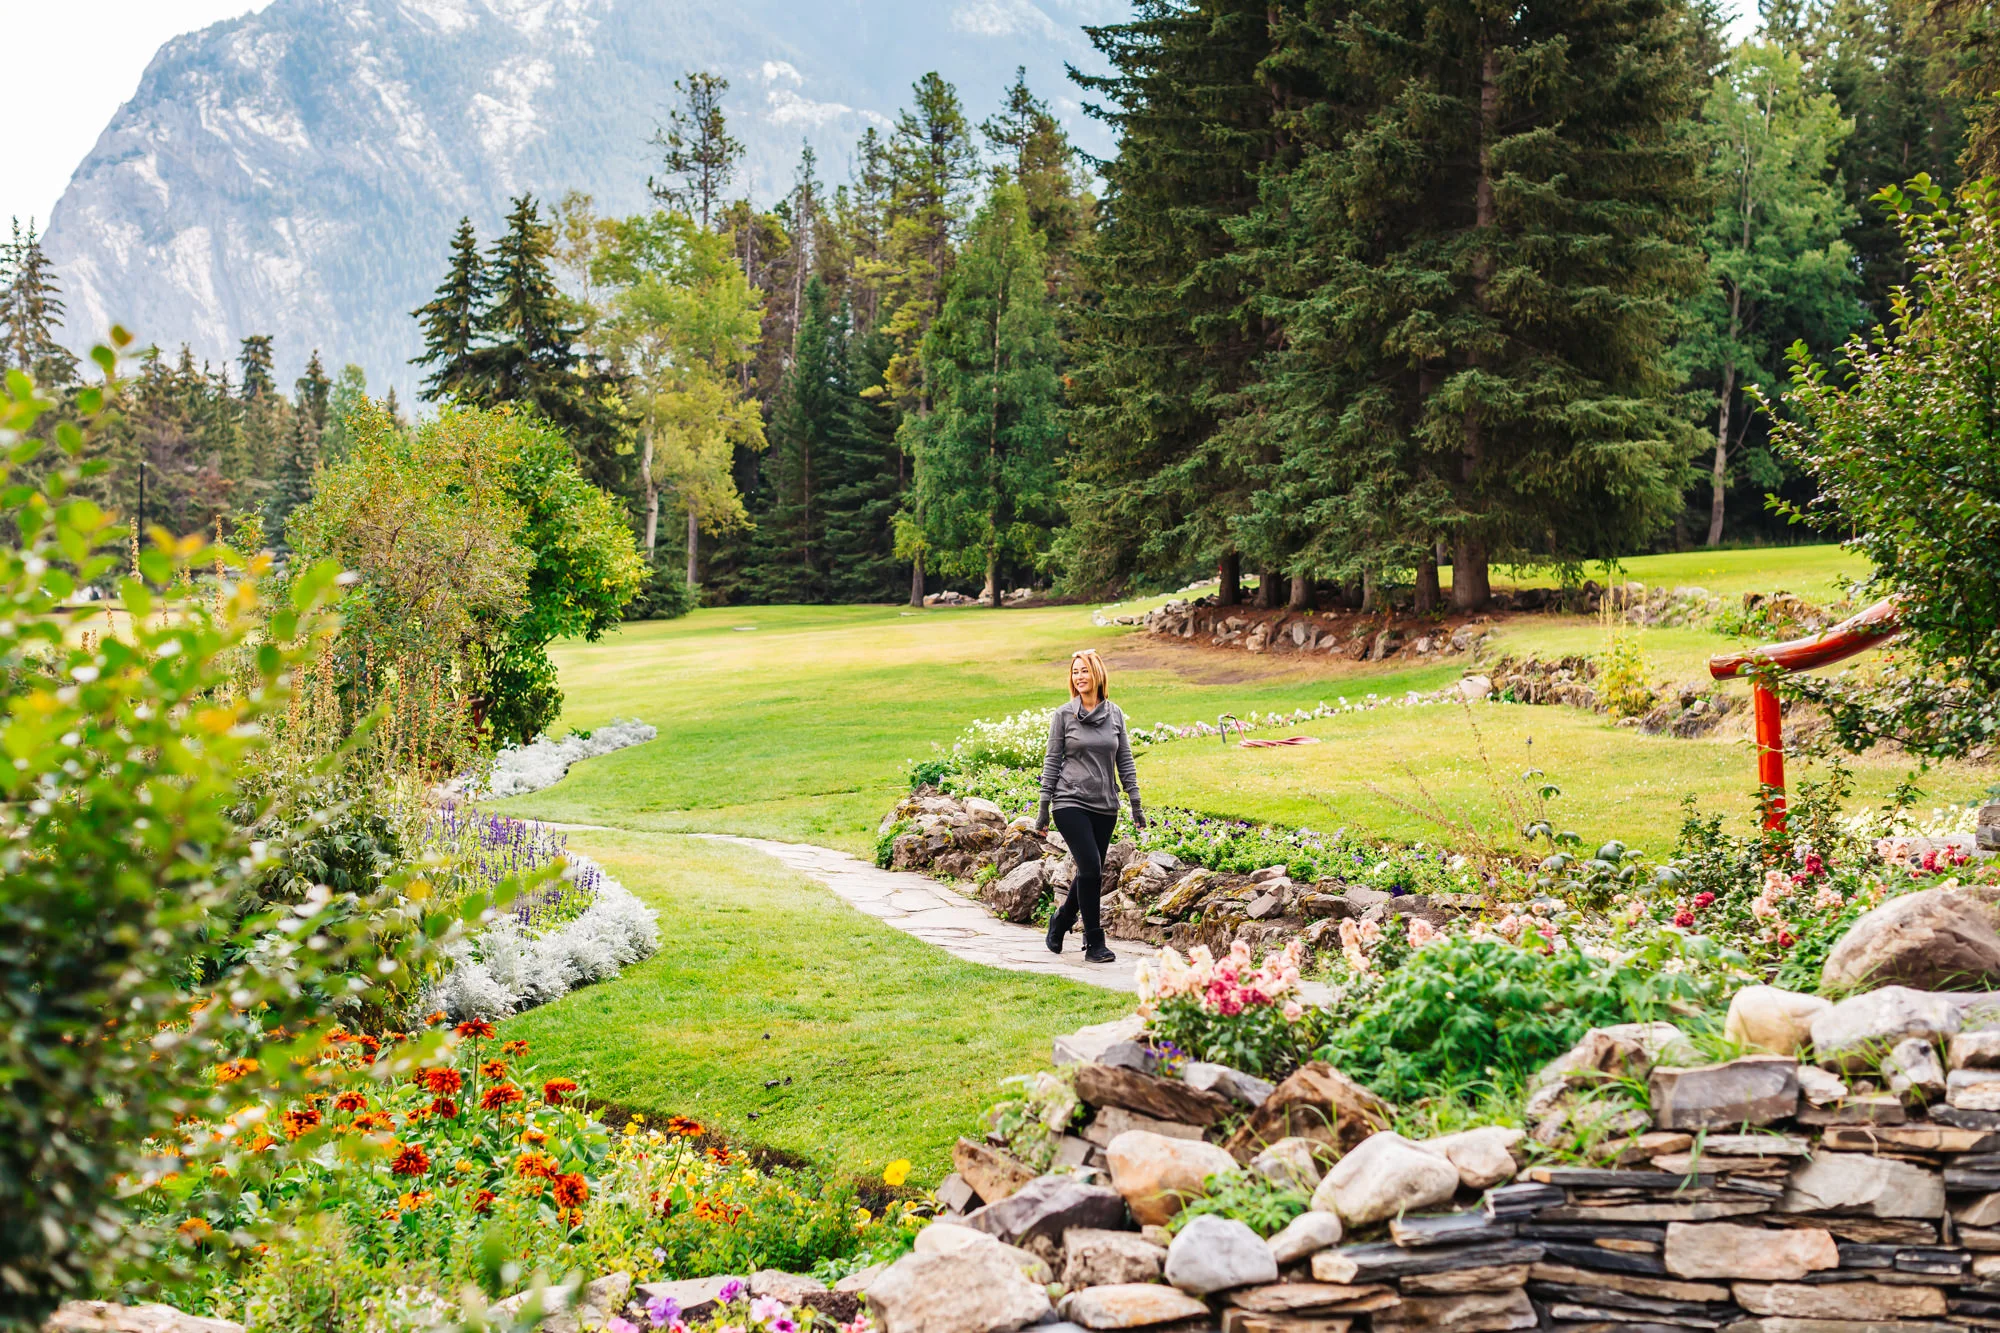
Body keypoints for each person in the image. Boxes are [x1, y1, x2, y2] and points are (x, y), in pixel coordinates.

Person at [1036, 649, 1145, 963]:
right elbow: (1052, 761)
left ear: (1097, 675)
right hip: (1069, 800)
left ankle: (1061, 920)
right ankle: (1094, 941)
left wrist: (1135, 803)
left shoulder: (1115, 715)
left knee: (1089, 872)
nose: (1079, 677)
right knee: (1091, 867)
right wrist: (1044, 807)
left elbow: (1124, 761)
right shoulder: (1063, 715)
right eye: (1074, 672)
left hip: (1105, 804)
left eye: (1084, 671)